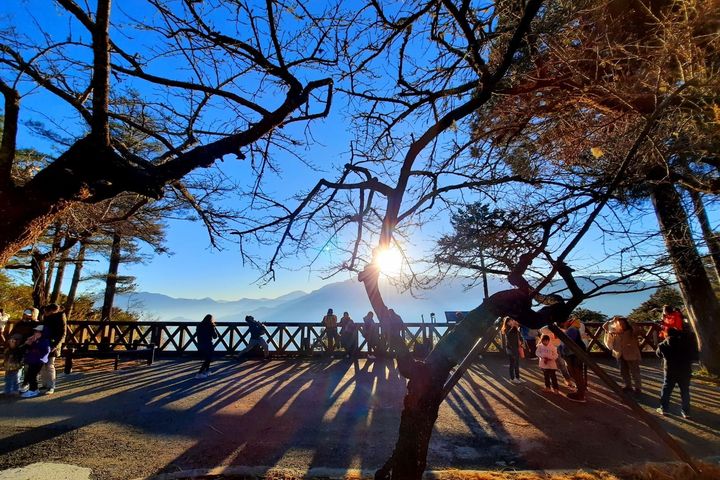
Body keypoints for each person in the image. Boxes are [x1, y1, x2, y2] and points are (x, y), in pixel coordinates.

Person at [656, 328, 696, 418]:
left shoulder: (663, 345)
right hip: (685, 370)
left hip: (670, 371)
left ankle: (664, 409)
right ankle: (686, 412)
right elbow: (693, 355)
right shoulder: (686, 343)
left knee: (666, 390)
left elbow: (658, 354)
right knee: (685, 391)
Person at [603, 316, 642, 395]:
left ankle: (638, 388)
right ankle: (628, 386)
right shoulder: (614, 332)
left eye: (623, 323)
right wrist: (612, 321)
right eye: (619, 324)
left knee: (635, 372)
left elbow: (637, 331)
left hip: (632, 354)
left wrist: (631, 321)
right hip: (619, 354)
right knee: (623, 372)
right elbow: (604, 326)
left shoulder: (631, 331)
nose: (621, 325)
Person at [40, 303, 67, 395]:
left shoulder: (60, 317)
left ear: (51, 311)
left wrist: (55, 345)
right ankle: (44, 384)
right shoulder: (47, 317)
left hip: (53, 344)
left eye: (45, 312)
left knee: (50, 365)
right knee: (42, 365)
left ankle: (51, 386)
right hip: (44, 342)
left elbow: (63, 333)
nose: (44, 314)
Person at [21, 325, 51, 398]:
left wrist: (35, 346)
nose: (35, 333)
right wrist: (28, 343)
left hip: (38, 361)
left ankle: (33, 390)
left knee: (32, 375)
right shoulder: (36, 340)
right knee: (30, 374)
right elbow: (28, 348)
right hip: (32, 360)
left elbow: (46, 350)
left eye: (38, 332)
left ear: (42, 333)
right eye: (35, 331)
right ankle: (34, 389)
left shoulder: (45, 341)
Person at [561, 321, 588, 403]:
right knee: (577, 374)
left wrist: (563, 352)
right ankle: (580, 393)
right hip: (575, 355)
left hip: (574, 356)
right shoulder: (572, 329)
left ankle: (580, 395)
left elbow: (568, 342)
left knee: (577, 374)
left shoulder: (572, 329)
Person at [195, 314, 218, 378]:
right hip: (208, 345)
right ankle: (199, 373)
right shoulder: (211, 326)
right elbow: (215, 336)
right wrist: (214, 328)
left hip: (200, 344)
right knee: (208, 359)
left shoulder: (199, 325)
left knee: (208, 358)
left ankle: (207, 371)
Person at [502, 317, 523, 384]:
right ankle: (512, 378)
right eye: (511, 321)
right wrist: (514, 326)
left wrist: (521, 341)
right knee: (512, 364)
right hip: (511, 349)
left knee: (517, 364)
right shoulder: (507, 329)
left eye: (512, 320)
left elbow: (519, 336)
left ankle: (517, 377)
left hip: (516, 348)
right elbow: (509, 335)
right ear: (507, 322)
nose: (512, 322)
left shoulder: (515, 328)